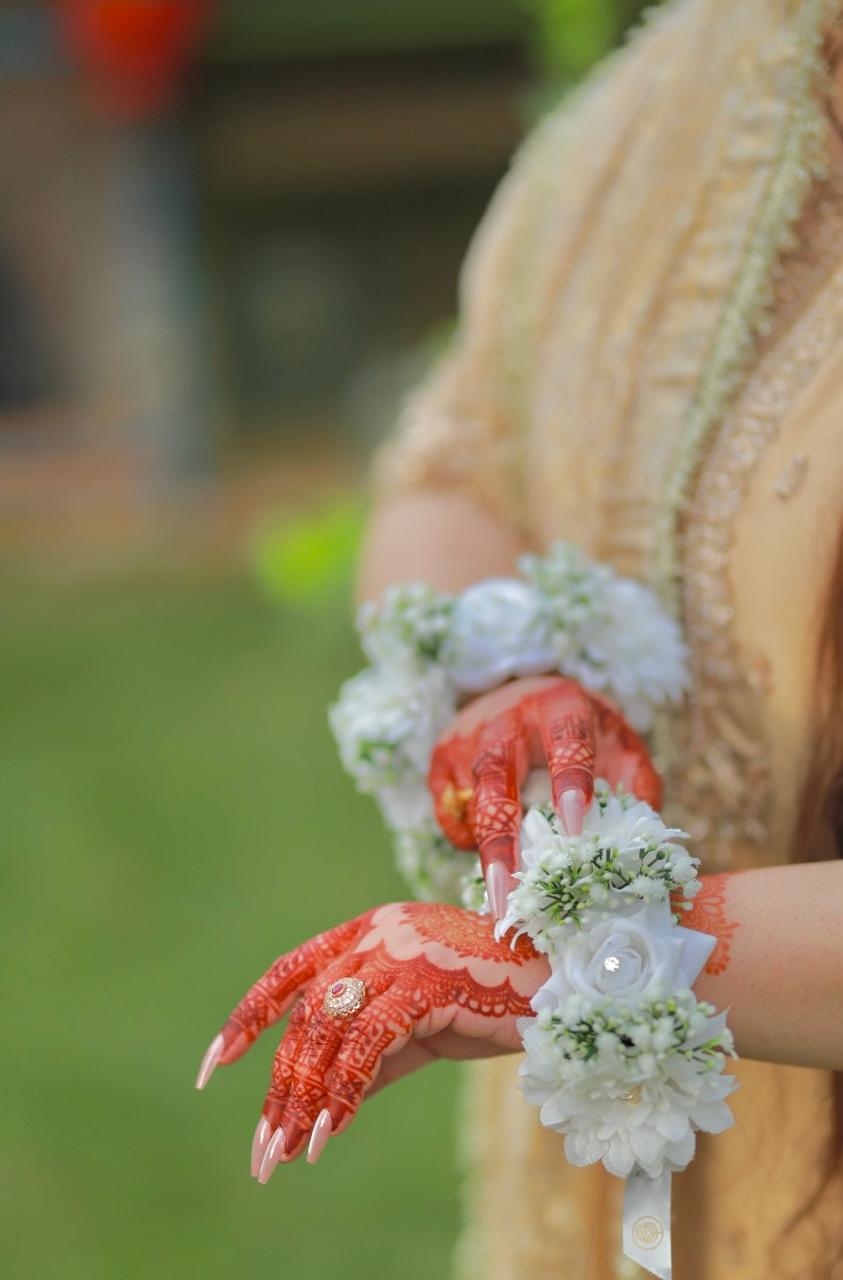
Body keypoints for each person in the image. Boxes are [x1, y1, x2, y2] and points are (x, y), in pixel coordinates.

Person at [197, 1, 843, 1275]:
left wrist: (583, 959)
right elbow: (456, 459)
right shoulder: (673, 95)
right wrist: (508, 676)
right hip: (611, 1205)